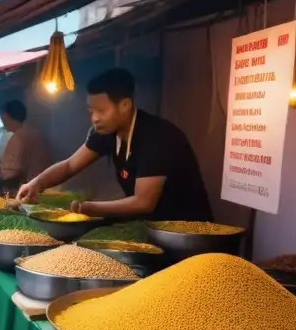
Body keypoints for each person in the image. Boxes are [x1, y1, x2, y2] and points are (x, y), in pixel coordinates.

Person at [17, 68, 212, 220]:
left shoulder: (157, 137)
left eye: (101, 111)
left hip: (187, 233)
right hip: (149, 227)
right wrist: (37, 183)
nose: (94, 118)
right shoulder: (106, 131)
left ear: (125, 105)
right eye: (91, 111)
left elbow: (143, 202)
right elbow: (70, 165)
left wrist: (89, 208)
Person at [0, 101, 52, 192]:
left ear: (6, 116)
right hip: (43, 187)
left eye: (2, 116)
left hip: (26, 191)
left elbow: (11, 174)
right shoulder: (35, 133)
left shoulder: (18, 138)